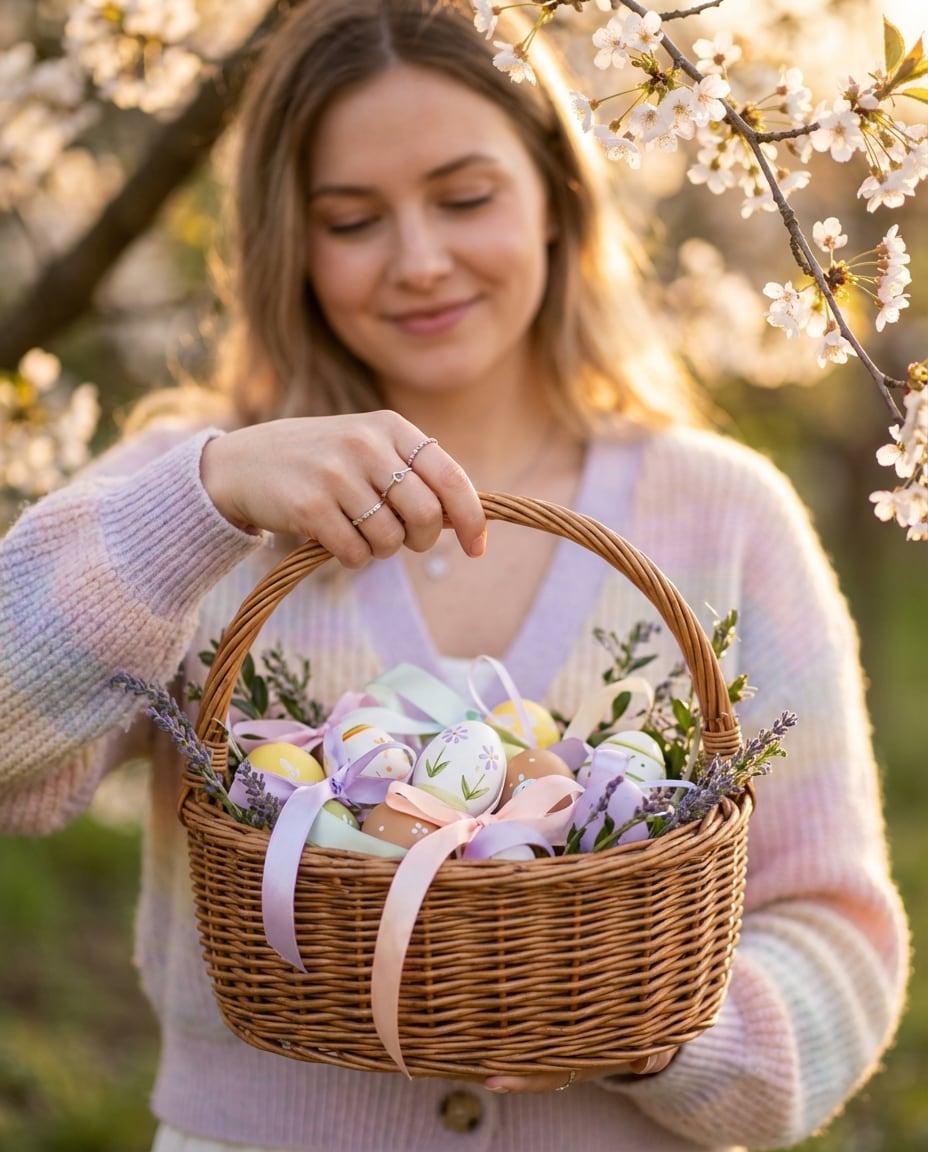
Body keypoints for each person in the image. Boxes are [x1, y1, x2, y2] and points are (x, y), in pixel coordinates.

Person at [0, 0, 909, 1149]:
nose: (419, 260)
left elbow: (835, 937)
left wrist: (638, 1017)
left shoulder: (721, 515)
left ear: (554, 195)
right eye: (351, 219)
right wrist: (206, 494)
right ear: (294, 240)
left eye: (465, 197)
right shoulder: (196, 501)